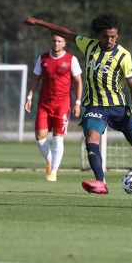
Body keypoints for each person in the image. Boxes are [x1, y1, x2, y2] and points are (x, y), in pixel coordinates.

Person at [22, 13, 132, 194]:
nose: (110, 40)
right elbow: (64, 32)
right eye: (106, 36)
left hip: (118, 107)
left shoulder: (123, 56)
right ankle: (100, 182)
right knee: (91, 138)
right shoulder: (89, 45)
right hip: (95, 106)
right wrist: (39, 22)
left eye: (113, 37)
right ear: (99, 34)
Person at [24, 34, 83, 181]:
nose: (56, 43)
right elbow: (35, 80)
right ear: (50, 42)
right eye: (54, 41)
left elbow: (78, 82)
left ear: (64, 43)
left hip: (62, 105)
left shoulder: (71, 59)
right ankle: (50, 162)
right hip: (44, 104)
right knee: (40, 138)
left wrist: (77, 102)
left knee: (58, 139)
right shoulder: (42, 59)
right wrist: (29, 97)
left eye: (59, 41)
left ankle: (53, 172)